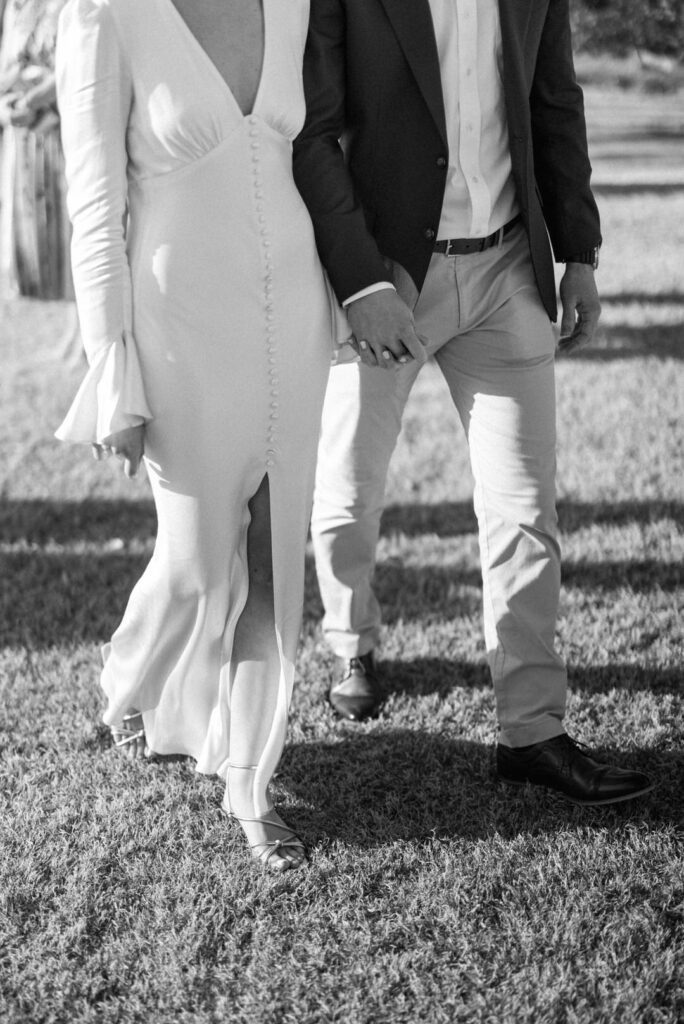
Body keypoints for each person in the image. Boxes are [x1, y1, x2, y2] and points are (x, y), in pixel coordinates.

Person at [293, 0, 653, 805]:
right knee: (350, 484)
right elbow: (313, 133)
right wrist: (361, 284)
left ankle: (531, 730)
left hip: (508, 270)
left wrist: (580, 252)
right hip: (388, 278)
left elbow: (554, 102)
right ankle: (351, 642)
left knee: (526, 508)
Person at [55, 0, 344, 870]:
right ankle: (130, 684)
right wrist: (115, 371)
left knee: (271, 556)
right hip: (178, 328)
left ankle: (250, 780)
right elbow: (95, 207)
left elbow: (312, 151)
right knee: (191, 561)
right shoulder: (105, 13)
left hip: (294, 315)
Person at [0, 0, 80, 356]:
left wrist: (34, 98)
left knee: (74, 226)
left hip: (65, 130)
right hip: (29, 134)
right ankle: (73, 331)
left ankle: (83, 334)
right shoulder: (16, 6)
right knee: (46, 235)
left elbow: (76, 64)